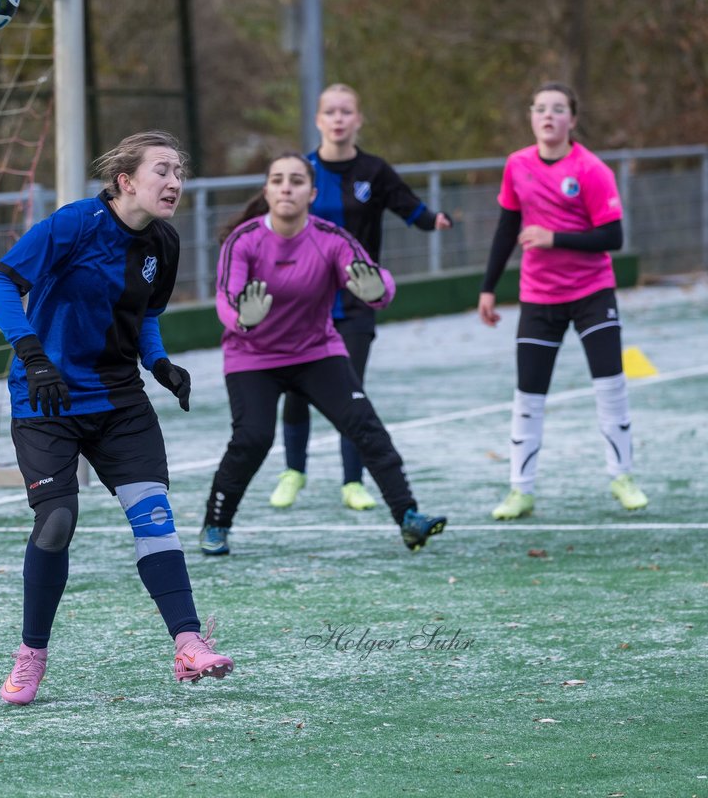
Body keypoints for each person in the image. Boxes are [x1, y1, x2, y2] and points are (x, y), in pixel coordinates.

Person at [0, 130, 234, 706]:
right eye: (162, 171)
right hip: (46, 401)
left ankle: (189, 644)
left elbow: (145, 316)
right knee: (56, 524)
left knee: (154, 516)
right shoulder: (73, 224)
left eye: (179, 172)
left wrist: (160, 363)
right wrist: (33, 355)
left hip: (121, 403)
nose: (174, 182)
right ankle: (31, 654)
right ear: (126, 181)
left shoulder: (163, 244)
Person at [199, 152, 447, 557]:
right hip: (253, 358)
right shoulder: (243, 241)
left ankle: (408, 518)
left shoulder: (331, 237)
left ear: (311, 193)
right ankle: (216, 523)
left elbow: (375, 278)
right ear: (267, 190)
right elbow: (226, 301)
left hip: (316, 352)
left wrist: (378, 293)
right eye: (277, 180)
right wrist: (243, 318)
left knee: (365, 426)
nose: (286, 187)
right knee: (253, 438)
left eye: (296, 180)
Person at [270, 83, 453, 513]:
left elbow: (409, 206)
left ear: (358, 120)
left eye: (345, 111)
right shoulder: (302, 171)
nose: (337, 119)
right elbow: (269, 212)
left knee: (348, 389)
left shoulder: (374, 171)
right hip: (301, 302)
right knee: (297, 386)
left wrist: (433, 220)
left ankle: (353, 482)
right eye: (329, 111)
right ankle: (293, 472)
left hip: (355, 301)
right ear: (318, 120)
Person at [479, 82, 647, 519]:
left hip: (592, 293)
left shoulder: (591, 169)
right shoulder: (517, 164)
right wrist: (488, 287)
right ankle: (521, 490)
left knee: (610, 385)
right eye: (540, 109)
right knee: (528, 395)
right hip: (539, 297)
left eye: (558, 109)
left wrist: (554, 238)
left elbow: (613, 236)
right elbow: (505, 227)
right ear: (531, 117)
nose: (548, 116)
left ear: (573, 119)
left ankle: (622, 476)